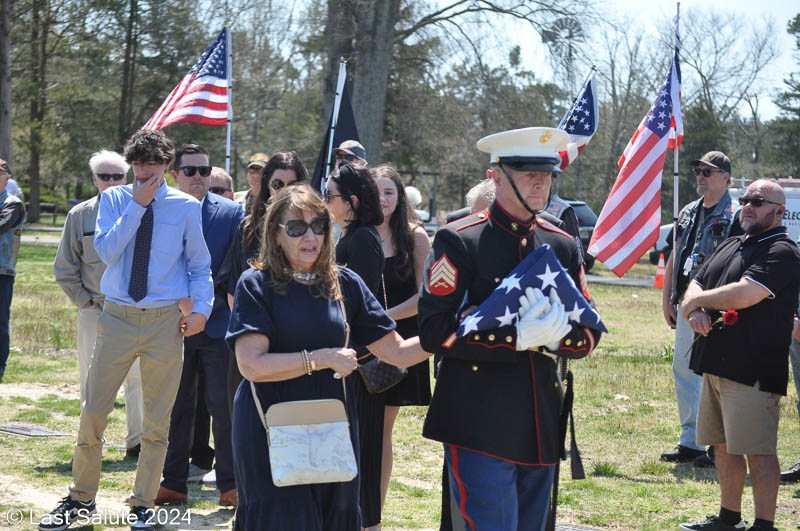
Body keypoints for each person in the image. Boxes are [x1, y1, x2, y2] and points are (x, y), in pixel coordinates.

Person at [418, 127, 601, 531]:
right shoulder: (460, 240)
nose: (541, 183)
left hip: (539, 422)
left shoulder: (560, 244)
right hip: (478, 419)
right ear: (496, 177)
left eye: (547, 174)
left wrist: (553, 338)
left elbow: (588, 333)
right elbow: (434, 331)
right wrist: (514, 336)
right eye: (528, 173)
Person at [38, 129, 213, 531]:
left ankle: (143, 503)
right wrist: (137, 206)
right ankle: (81, 498)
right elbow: (106, 251)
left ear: (166, 165)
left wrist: (202, 310)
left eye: (152, 165)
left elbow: (199, 265)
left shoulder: (186, 207)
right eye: (137, 165)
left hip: (164, 321)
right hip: (115, 316)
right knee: (93, 411)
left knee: (157, 422)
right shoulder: (115, 199)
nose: (144, 173)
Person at [226, 184, 429, 530]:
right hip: (269, 426)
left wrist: (452, 332)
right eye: (297, 227)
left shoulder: (344, 283)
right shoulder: (255, 284)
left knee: (335, 517)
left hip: (332, 425)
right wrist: (321, 359)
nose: (311, 236)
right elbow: (252, 365)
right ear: (275, 235)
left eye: (319, 226)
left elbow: (397, 352)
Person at [678, 179, 800, 531]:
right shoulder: (733, 243)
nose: (747, 206)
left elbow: (744, 294)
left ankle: (764, 524)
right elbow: (697, 281)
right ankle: (728, 518)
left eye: (757, 201)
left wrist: (695, 303)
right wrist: (694, 309)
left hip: (753, 369)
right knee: (722, 446)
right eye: (745, 199)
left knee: (758, 451)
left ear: (780, 211)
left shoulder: (782, 251)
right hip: (716, 363)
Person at [154, 144, 243, 508]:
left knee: (223, 409)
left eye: (204, 170)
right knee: (176, 408)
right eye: (190, 170)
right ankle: (173, 482)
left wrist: (203, 308)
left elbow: (234, 267)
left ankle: (230, 485)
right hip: (172, 323)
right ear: (175, 174)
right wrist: (182, 303)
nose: (198, 177)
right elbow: (161, 262)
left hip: (218, 324)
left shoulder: (232, 213)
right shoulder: (160, 208)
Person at [53, 149, 143, 458]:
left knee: (138, 378)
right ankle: (90, 443)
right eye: (104, 176)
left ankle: (137, 442)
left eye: (117, 176)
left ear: (127, 177)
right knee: (92, 379)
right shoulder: (80, 215)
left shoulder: (142, 210)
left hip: (136, 308)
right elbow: (65, 266)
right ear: (94, 179)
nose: (111, 182)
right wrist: (85, 303)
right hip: (96, 309)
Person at [660, 150, 741, 468]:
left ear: (726, 177)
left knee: (716, 374)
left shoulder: (736, 214)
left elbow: (738, 263)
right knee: (683, 368)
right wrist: (667, 298)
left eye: (708, 172)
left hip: (718, 306)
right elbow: (675, 253)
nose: (700, 177)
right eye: (698, 171)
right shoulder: (687, 211)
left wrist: (717, 304)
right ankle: (691, 441)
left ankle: (717, 445)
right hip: (686, 302)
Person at [325, 162, 386, 530]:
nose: (325, 202)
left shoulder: (362, 238)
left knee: (363, 450)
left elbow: (359, 306)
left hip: (361, 363)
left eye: (330, 195)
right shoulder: (350, 235)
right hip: (349, 360)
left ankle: (368, 524)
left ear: (352, 201)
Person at [223, 151, 308, 413]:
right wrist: (251, 333)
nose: (284, 191)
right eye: (278, 184)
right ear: (267, 185)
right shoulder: (248, 228)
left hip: (296, 340)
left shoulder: (313, 230)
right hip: (252, 336)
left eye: (292, 185)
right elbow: (233, 291)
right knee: (248, 417)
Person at [371, 165, 432, 511]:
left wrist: (379, 318)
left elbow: (425, 297)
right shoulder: (356, 233)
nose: (382, 199)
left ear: (400, 197)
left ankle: (373, 515)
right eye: (375, 192)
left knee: (380, 432)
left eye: (389, 192)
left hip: (399, 343)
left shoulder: (415, 236)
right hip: (358, 344)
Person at [0, 158, 25, 383]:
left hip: (2, 272)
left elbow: (2, 225)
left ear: (7, 178)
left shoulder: (12, 204)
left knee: (0, 323)